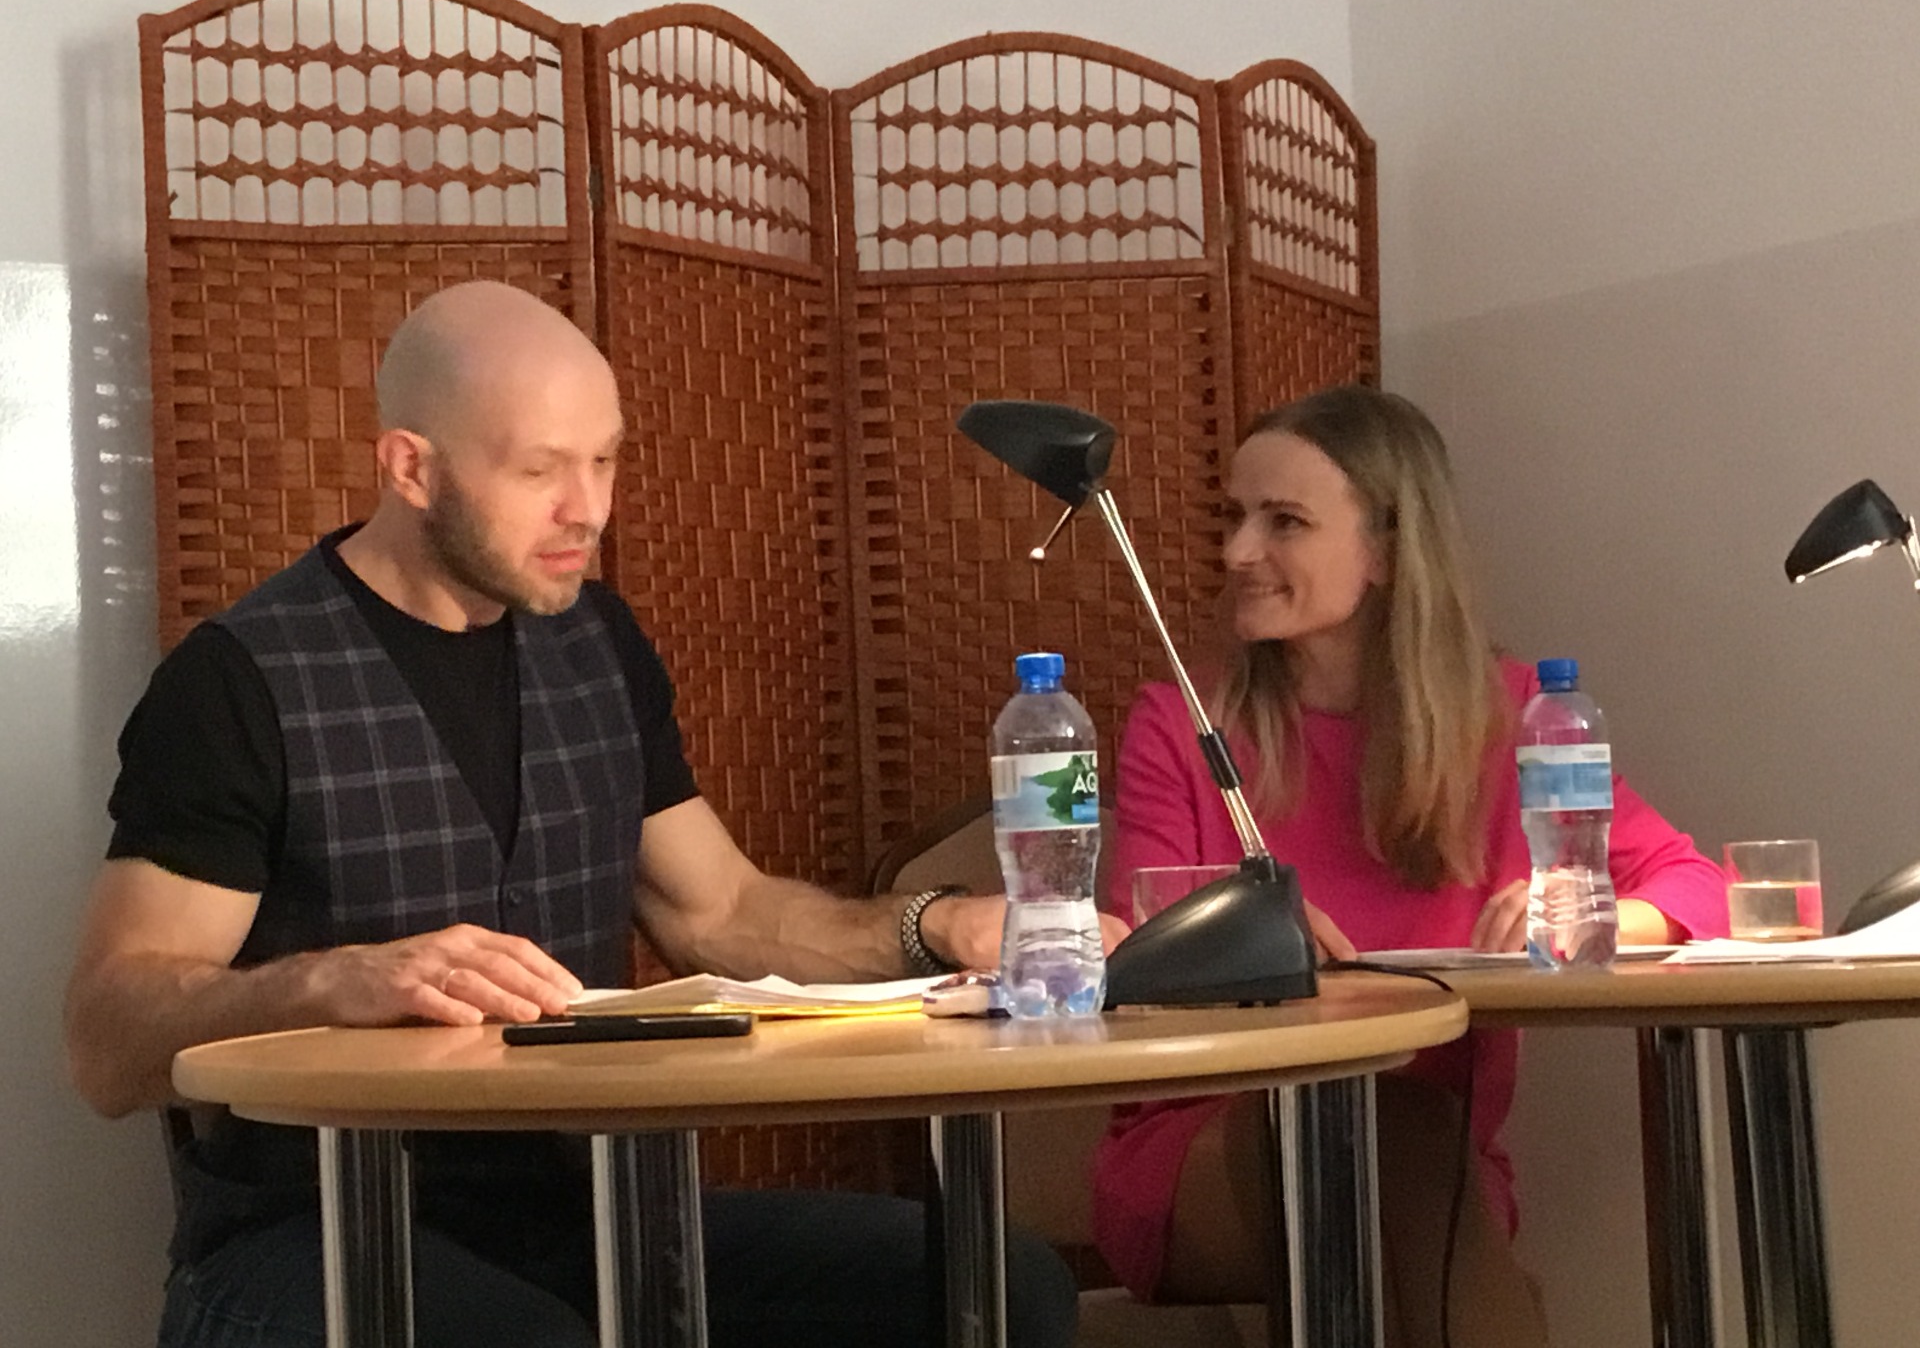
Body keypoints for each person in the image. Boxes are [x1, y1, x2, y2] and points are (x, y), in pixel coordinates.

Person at [63, 280, 1093, 1348]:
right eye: (540, 470)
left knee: (1001, 1284)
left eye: (603, 461)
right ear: (411, 468)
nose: (587, 508)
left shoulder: (598, 644)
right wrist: (331, 980)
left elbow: (721, 913)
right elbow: (104, 1041)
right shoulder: (239, 681)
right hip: (308, 1234)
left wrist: (939, 926)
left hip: (586, 1210)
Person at [1091, 386, 1731, 1348]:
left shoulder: (1514, 717)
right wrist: (1241, 941)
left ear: (1387, 551)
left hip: (1441, 1166)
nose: (1236, 553)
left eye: (1284, 521)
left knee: (1401, 1147)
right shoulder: (1178, 727)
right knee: (1380, 1133)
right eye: (1234, 518)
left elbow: (1698, 886)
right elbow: (1132, 957)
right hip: (1208, 1153)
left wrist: (1580, 911)